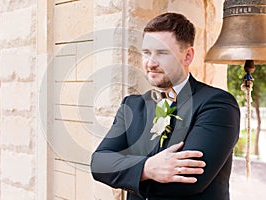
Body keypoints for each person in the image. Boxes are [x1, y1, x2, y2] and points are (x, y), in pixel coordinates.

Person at [91, 12, 240, 200]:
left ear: (187, 56)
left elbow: (187, 181)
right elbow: (99, 164)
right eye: (146, 53)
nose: (151, 63)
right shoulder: (132, 105)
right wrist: (147, 169)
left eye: (162, 53)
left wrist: (125, 172)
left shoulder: (217, 104)